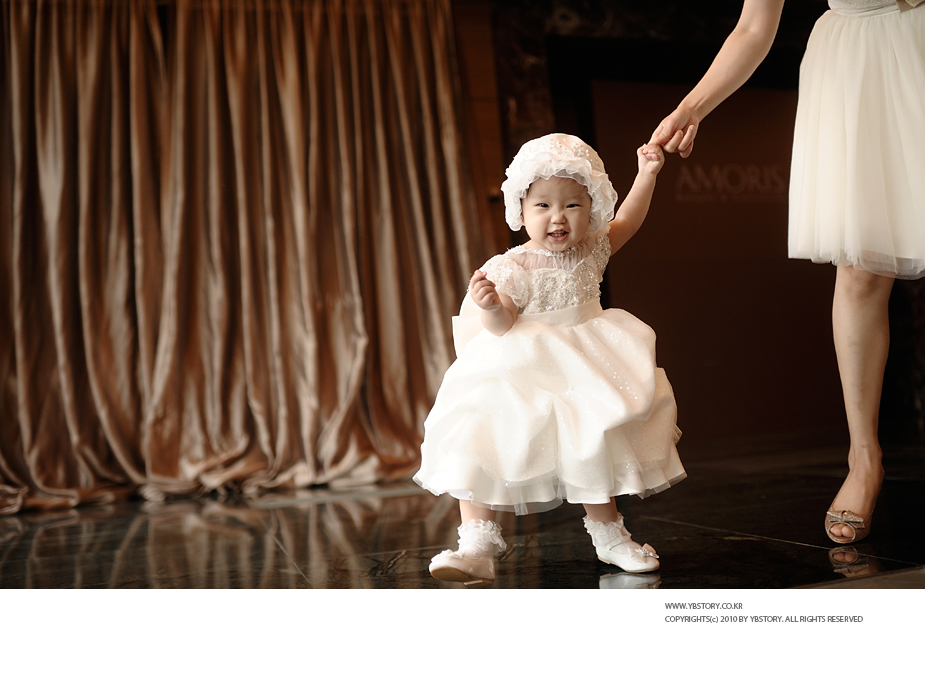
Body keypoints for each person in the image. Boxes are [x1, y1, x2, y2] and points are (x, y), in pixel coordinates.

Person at [651, 0, 925, 545]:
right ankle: (864, 458)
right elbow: (754, 27)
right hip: (859, 65)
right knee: (862, 267)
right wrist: (692, 107)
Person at [414, 133, 685, 585]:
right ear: (520, 211)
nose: (557, 217)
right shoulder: (512, 265)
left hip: (585, 359)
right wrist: (491, 306)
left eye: (572, 205)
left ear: (592, 208)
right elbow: (503, 323)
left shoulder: (593, 248)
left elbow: (630, 220)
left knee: (592, 438)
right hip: (525, 367)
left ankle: (609, 534)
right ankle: (477, 545)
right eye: (542, 205)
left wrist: (647, 174)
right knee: (482, 433)